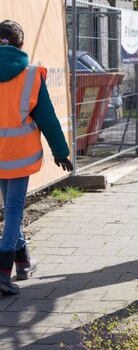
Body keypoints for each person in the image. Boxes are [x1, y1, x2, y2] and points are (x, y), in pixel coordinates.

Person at [0, 20, 73, 295]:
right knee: (14, 210)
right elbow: (48, 119)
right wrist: (61, 152)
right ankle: (3, 270)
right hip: (20, 156)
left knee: (10, 209)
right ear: (21, 45)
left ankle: (24, 262)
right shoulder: (30, 75)